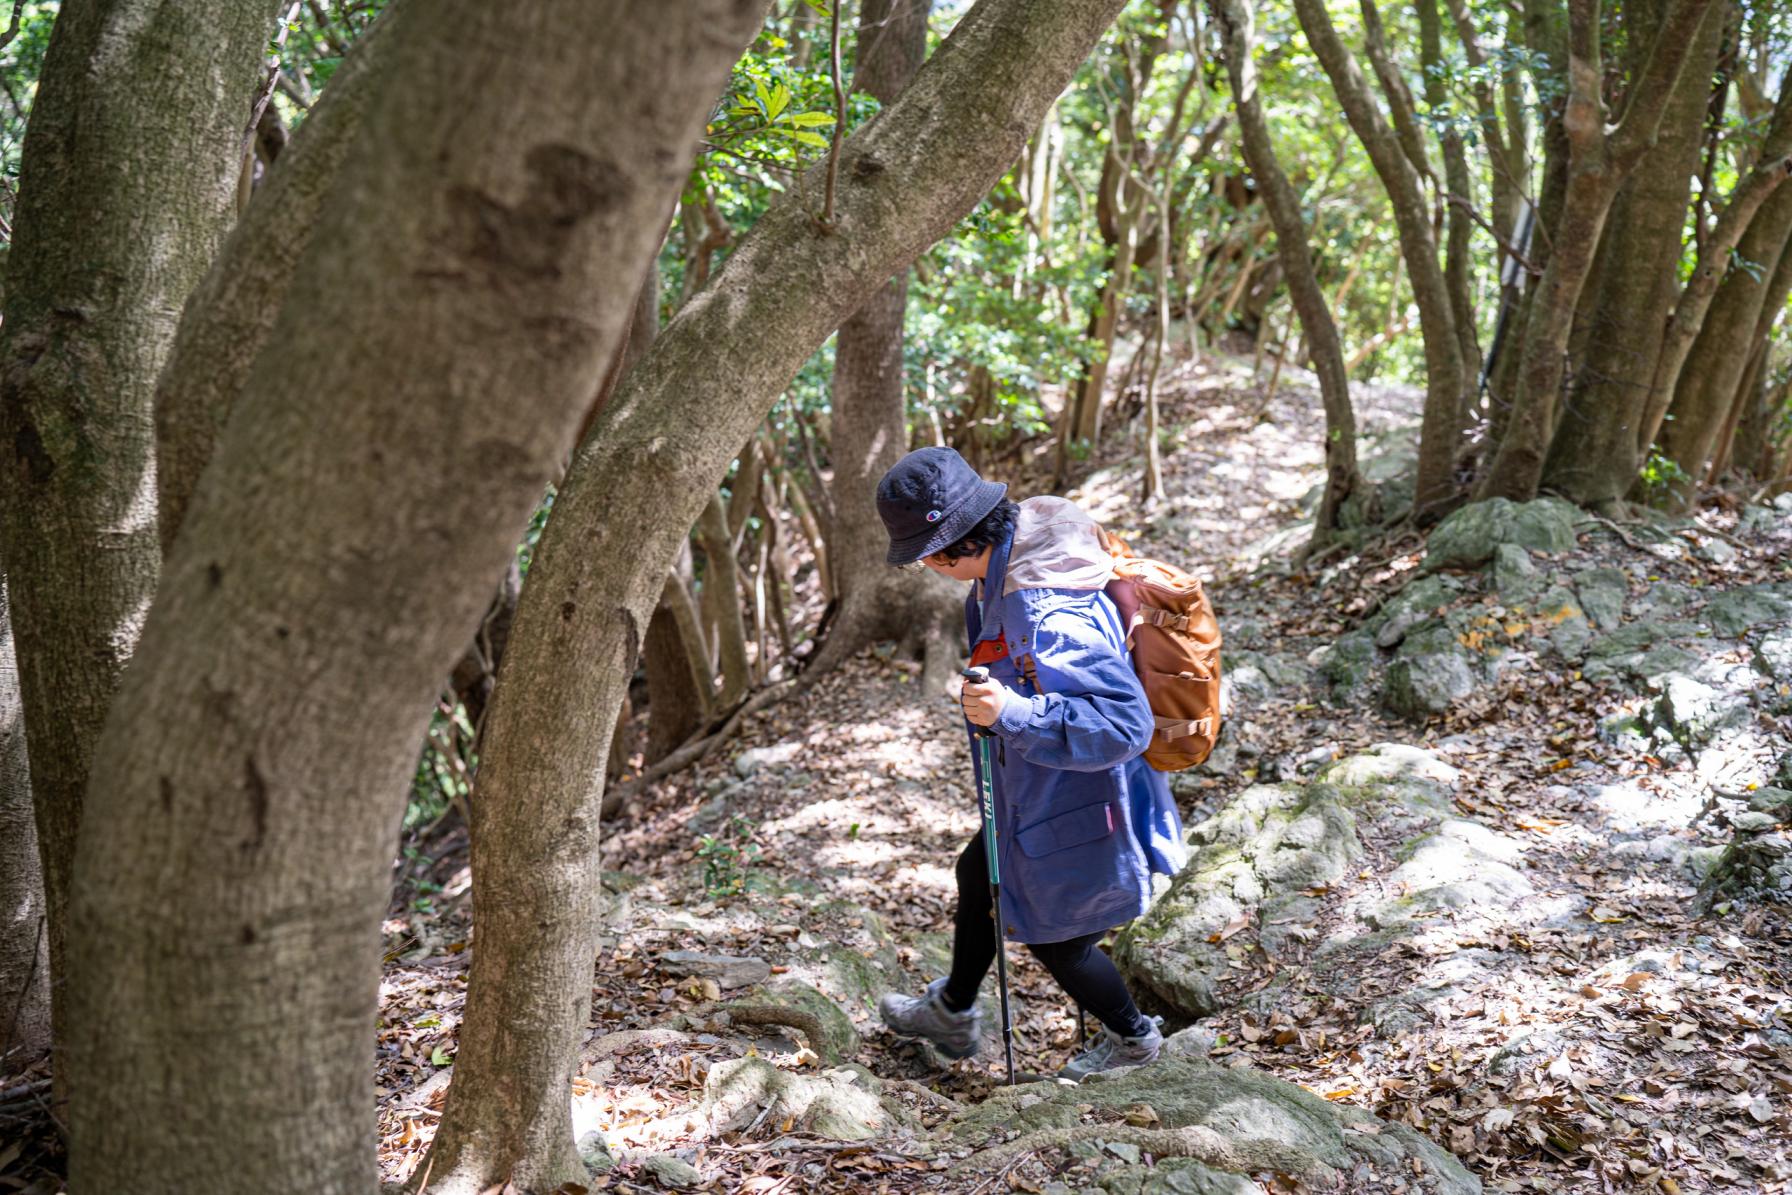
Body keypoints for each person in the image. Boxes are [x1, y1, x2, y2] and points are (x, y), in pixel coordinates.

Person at [871, 446, 1186, 1080]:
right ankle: (954, 1010)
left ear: (947, 548)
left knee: (1054, 935)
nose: (927, 568)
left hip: (1076, 794)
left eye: (925, 556)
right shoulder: (1010, 557)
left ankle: (1134, 1041)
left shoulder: (1044, 606)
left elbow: (1125, 725)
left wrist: (1012, 713)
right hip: (1036, 788)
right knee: (978, 871)